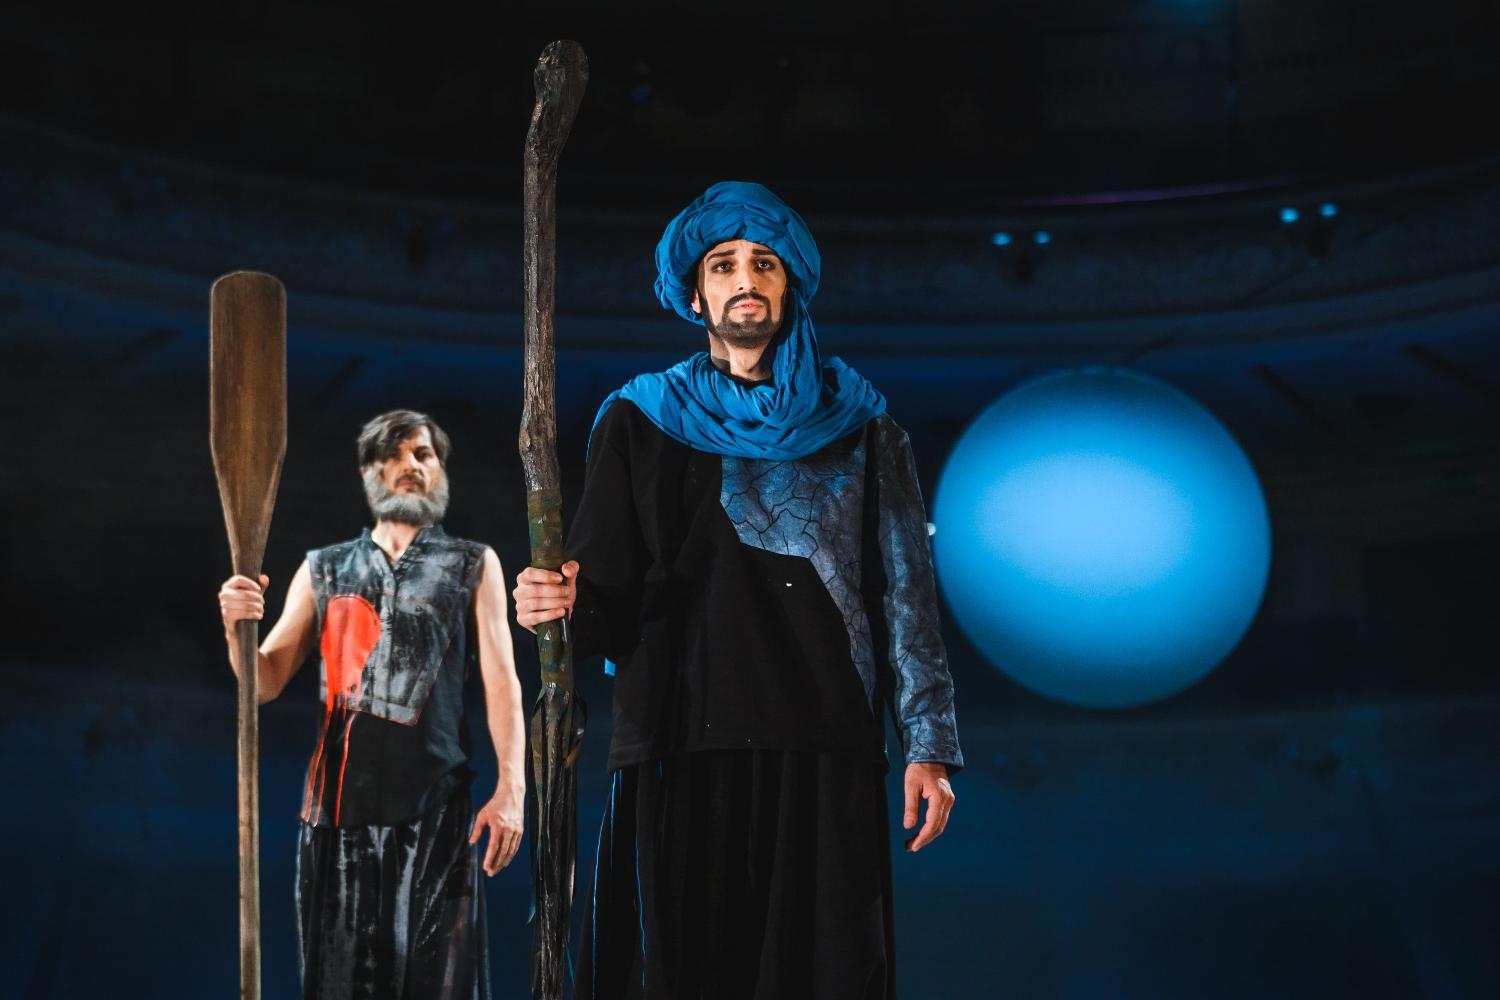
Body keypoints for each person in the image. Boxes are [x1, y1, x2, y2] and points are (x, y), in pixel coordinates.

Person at [513, 181, 962, 999]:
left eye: (764, 263)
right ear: (695, 293)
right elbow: (604, 596)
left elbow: (906, 593)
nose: (745, 279)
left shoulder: (864, 427)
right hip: (678, 736)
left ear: (792, 286)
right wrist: (557, 608)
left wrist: (927, 745)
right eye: (723, 265)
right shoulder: (638, 418)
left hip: (822, 735)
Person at [218, 409, 525, 1000]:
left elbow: (502, 681)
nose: (410, 465)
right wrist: (238, 630)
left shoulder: (471, 563)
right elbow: (263, 681)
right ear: (370, 472)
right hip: (337, 818)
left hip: (437, 814)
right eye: (394, 454)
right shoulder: (325, 568)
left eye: (423, 454)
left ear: (440, 470)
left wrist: (511, 789)